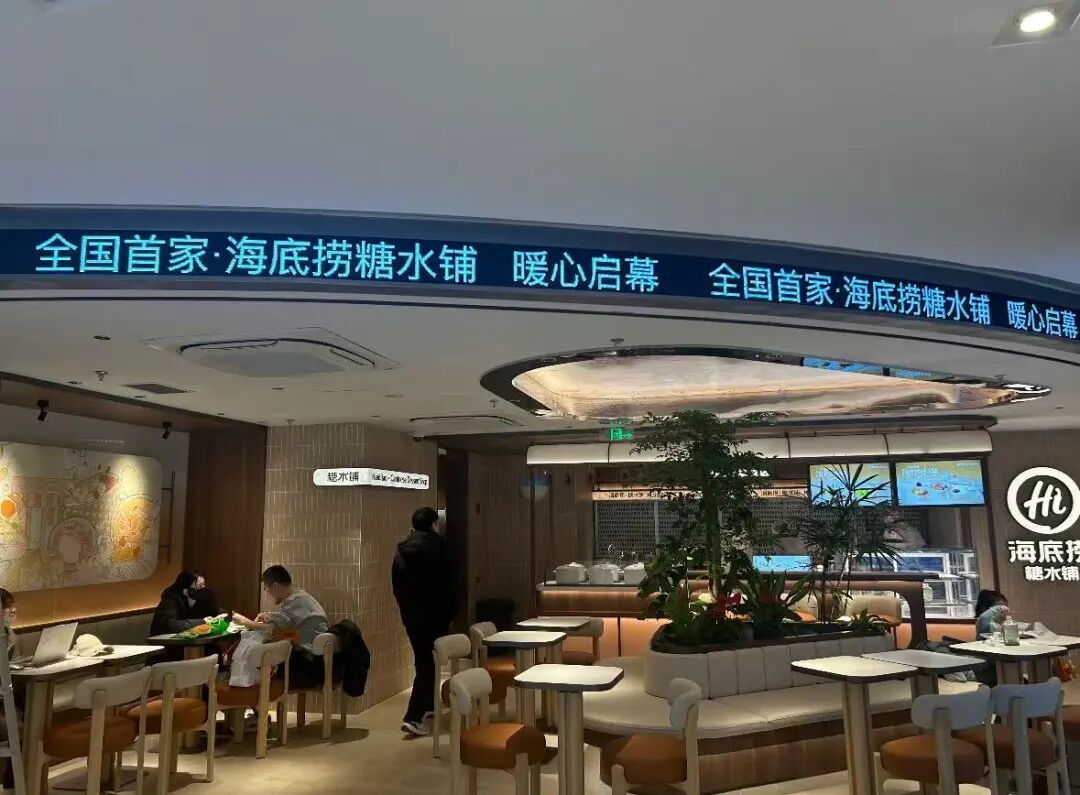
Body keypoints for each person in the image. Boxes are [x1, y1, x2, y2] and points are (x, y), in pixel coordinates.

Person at [391, 506, 455, 737]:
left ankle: (428, 707)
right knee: (428, 664)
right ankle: (415, 716)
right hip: (436, 616)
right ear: (433, 524)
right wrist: (451, 614)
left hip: (412, 617)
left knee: (424, 661)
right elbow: (450, 583)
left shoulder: (403, 550)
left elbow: (397, 586)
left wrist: (407, 611)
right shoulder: (440, 547)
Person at [232, 566, 329, 690]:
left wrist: (246, 622)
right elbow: (289, 622)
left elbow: (277, 628)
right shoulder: (301, 597)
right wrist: (271, 616)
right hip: (317, 662)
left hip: (307, 667)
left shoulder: (295, 602)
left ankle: (252, 698)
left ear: (275, 586)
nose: (267, 593)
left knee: (257, 661)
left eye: (266, 588)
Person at [151, 571, 209, 636]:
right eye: (199, 586)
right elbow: (168, 625)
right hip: (164, 640)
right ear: (186, 590)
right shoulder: (170, 601)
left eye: (203, 586)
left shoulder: (194, 601)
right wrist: (203, 621)